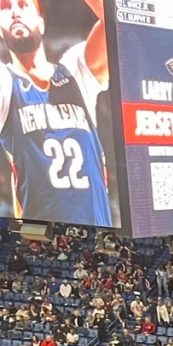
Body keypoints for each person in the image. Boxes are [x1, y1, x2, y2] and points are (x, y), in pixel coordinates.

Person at [0, 0, 112, 224]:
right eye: (4, 7)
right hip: (42, 235)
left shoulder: (75, 71)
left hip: (98, 230)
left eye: (23, 5)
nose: (14, 12)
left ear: (41, 24)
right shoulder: (6, 82)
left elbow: (114, 20)